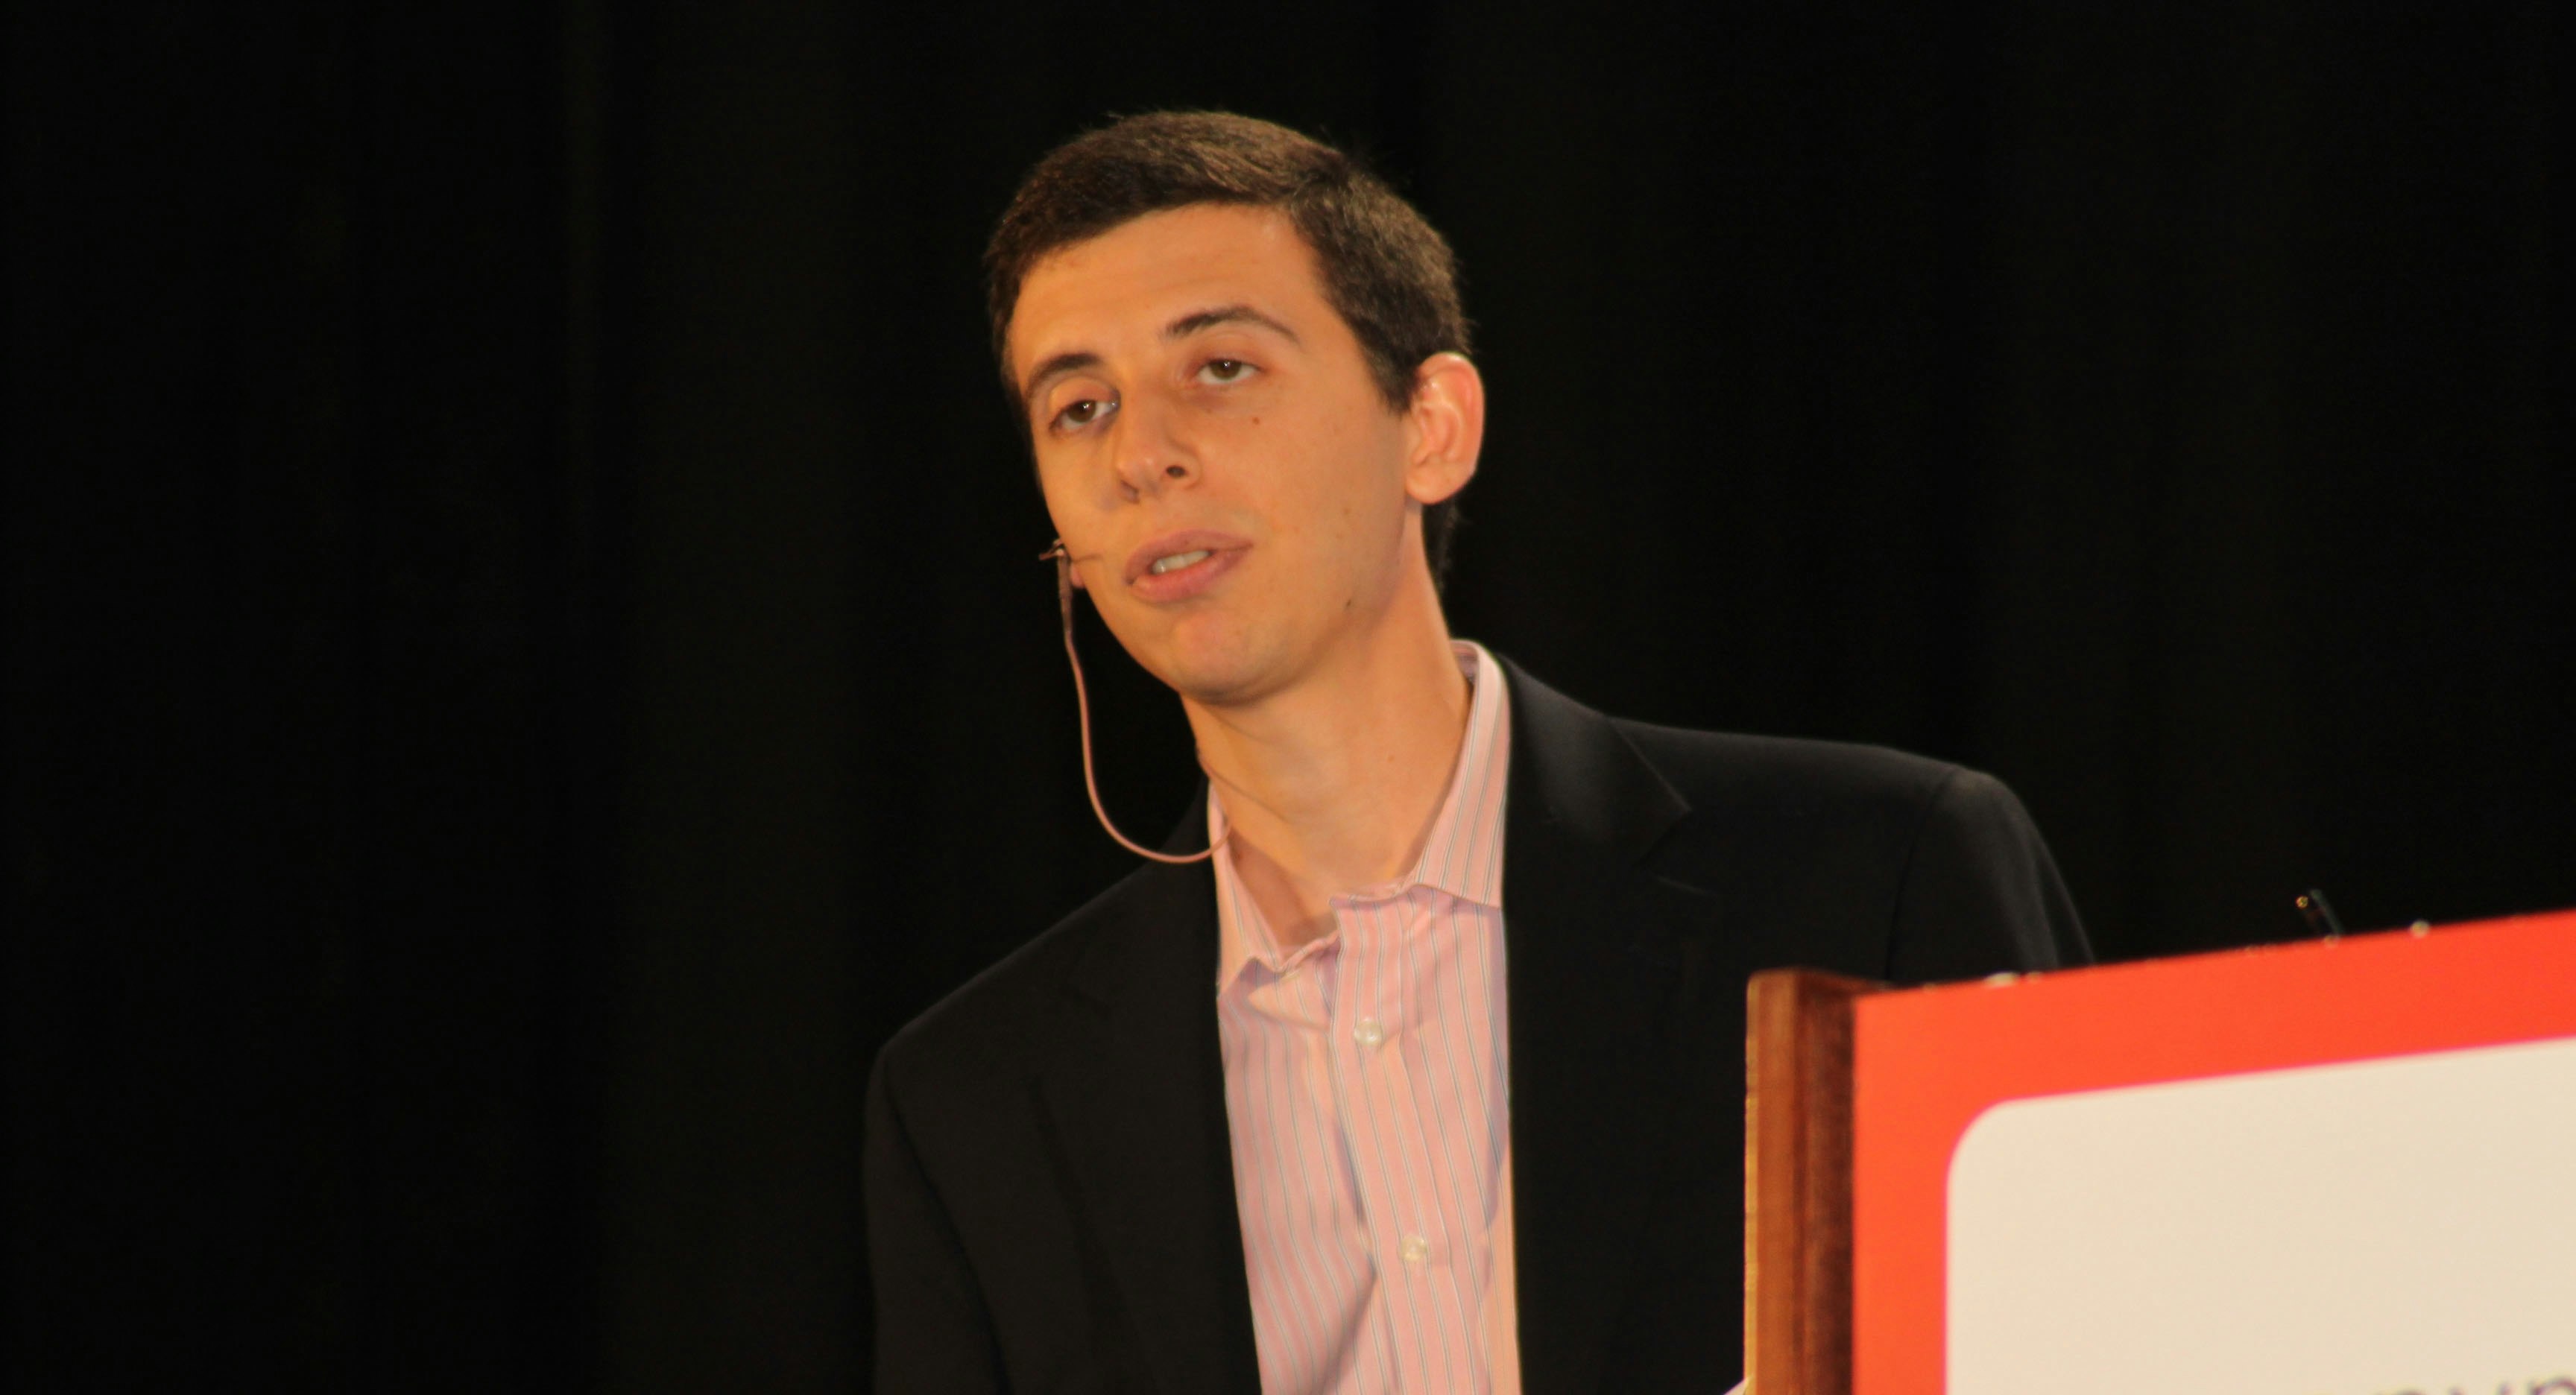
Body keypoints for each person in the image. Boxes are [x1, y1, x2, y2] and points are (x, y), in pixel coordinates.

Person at [864, 111, 2088, 1394]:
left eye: (1220, 368)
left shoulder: (1875, 876)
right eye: (1079, 405)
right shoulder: (974, 1101)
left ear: (1432, 426)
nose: (1140, 453)